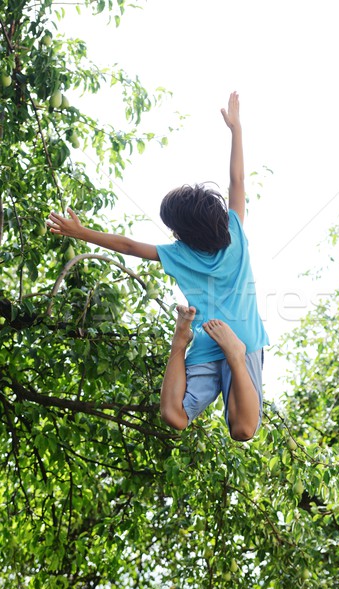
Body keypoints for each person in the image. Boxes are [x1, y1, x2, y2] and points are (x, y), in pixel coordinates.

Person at [47, 91, 269, 441]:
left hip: (221, 342)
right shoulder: (235, 231)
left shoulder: (178, 253)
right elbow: (237, 181)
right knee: (242, 431)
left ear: (182, 233)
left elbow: (128, 246)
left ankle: (195, 345)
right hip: (241, 339)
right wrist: (236, 129)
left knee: (174, 416)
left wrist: (80, 232)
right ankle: (216, 351)